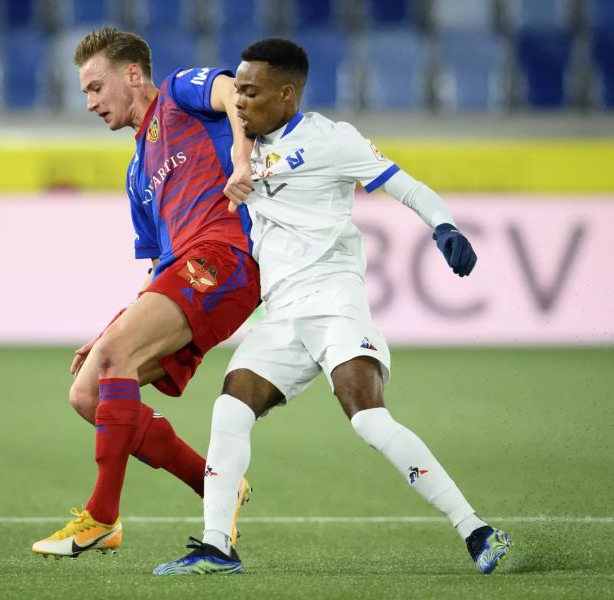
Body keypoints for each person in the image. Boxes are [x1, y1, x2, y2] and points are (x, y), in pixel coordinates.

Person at [154, 38, 512, 576]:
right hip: (280, 315)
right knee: (229, 408)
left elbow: (407, 187)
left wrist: (444, 225)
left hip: (333, 301)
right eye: (237, 91)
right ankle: (216, 547)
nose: (240, 102)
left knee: (367, 418)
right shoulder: (241, 143)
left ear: (286, 93)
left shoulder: (331, 140)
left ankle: (477, 530)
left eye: (250, 92)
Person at [31, 27, 261, 558]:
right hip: (183, 270)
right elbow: (158, 265)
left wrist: (243, 161)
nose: (89, 103)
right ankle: (214, 484)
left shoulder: (180, 93)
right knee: (87, 392)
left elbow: (233, 92)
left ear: (132, 74)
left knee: (116, 358)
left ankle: (102, 518)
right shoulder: (137, 172)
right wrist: (111, 331)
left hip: (227, 257)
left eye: (94, 87)